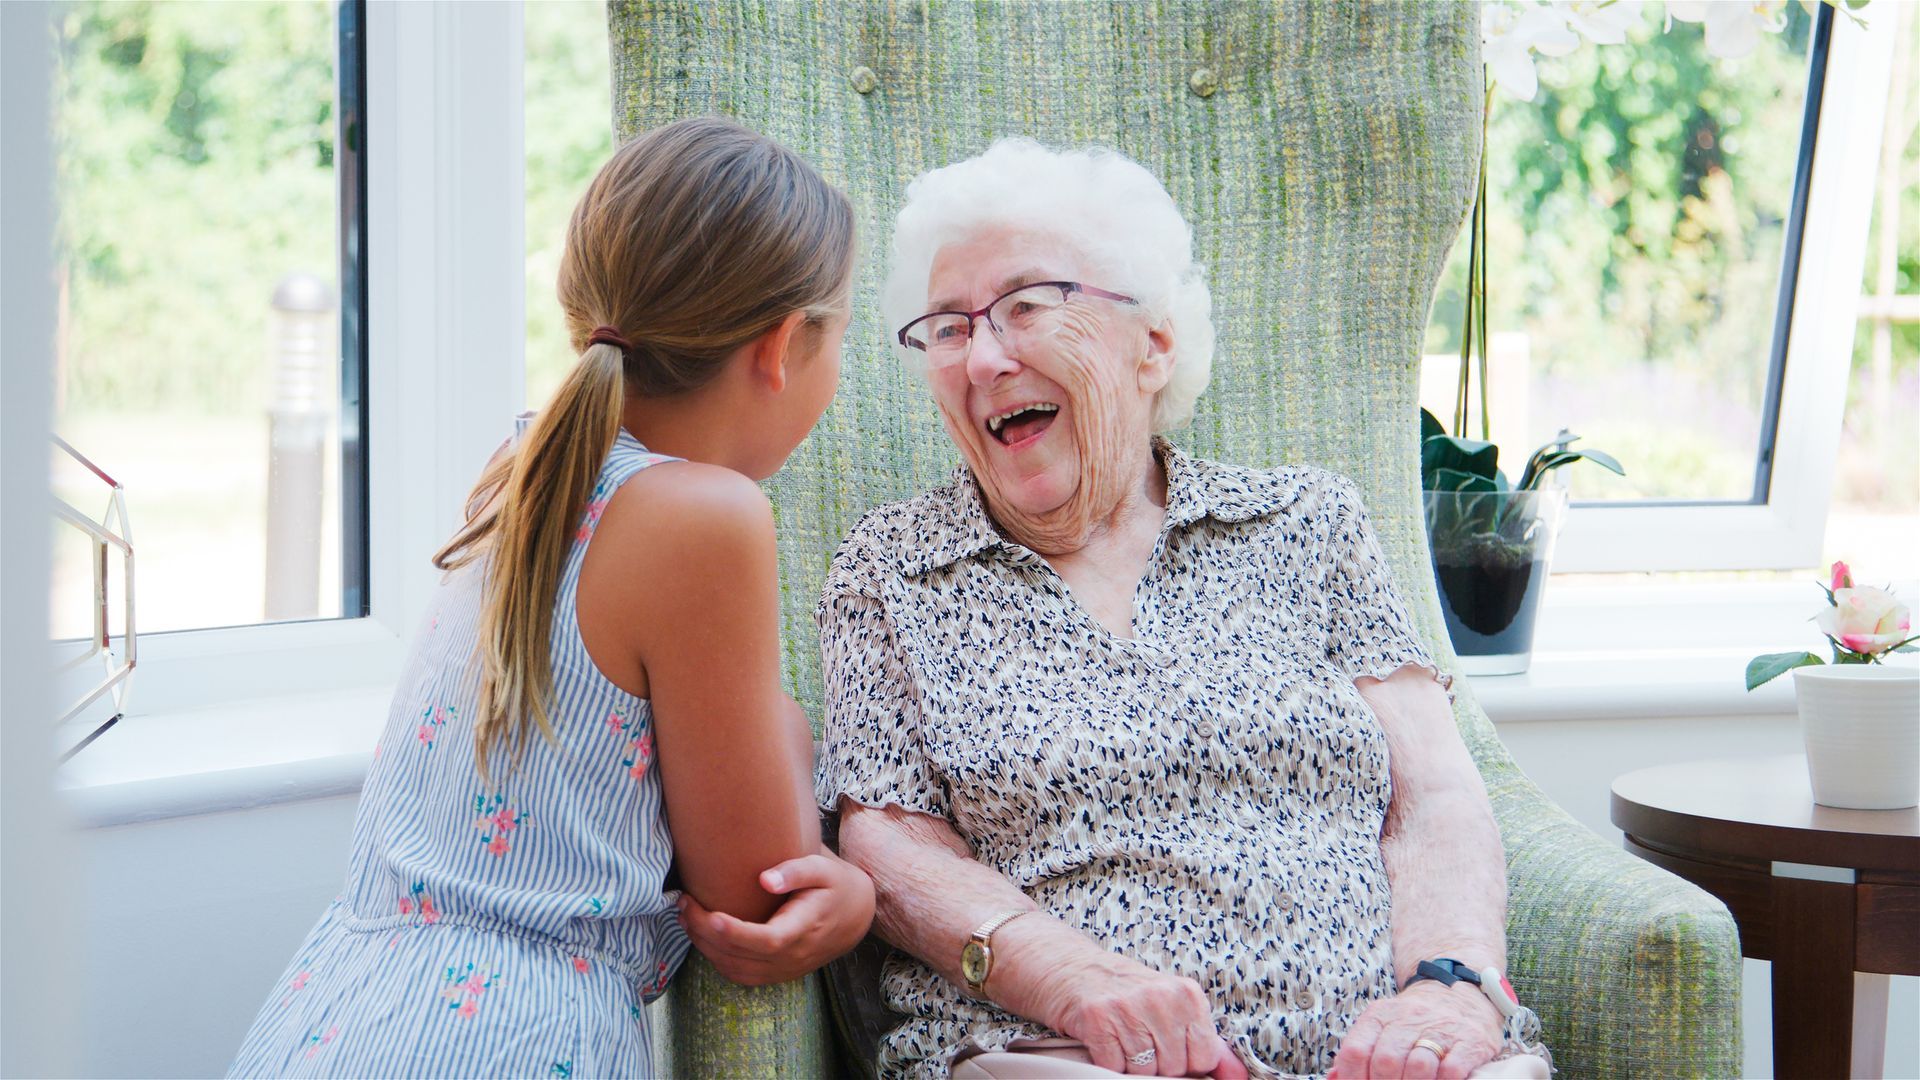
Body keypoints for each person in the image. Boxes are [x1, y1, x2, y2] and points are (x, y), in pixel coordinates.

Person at [709, 139, 1551, 1080]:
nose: (984, 358)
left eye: (1026, 306)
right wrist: (1073, 976)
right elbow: (888, 836)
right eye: (948, 328)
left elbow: (1432, 791)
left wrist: (1445, 986)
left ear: (1152, 344)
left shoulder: (1306, 522)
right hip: (1063, 1053)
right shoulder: (896, 567)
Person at [228, 116, 875, 1078]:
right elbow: (755, 891)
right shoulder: (706, 517)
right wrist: (857, 896)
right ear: (783, 346)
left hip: (331, 1014)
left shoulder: (526, 466)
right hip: (506, 1043)